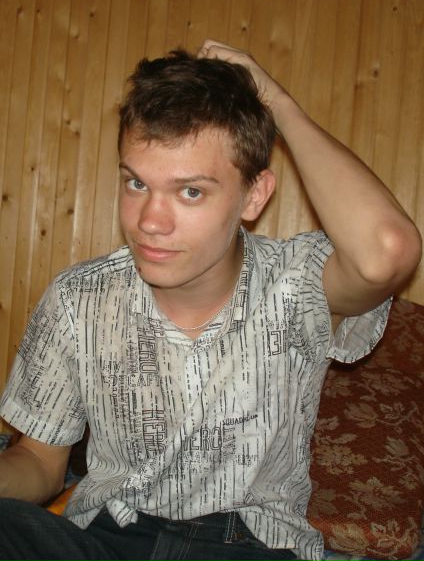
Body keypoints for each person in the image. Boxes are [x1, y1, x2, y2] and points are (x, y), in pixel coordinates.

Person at [0, 39, 421, 561]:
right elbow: (40, 464)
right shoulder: (77, 298)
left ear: (254, 195)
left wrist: (277, 102)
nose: (150, 221)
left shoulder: (297, 284)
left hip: (250, 544)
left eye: (191, 191)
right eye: (136, 183)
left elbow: (387, 252)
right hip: (106, 538)